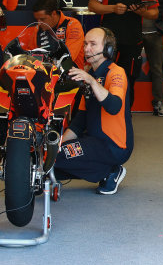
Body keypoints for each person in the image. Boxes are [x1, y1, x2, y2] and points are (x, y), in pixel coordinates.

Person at [54, 27, 133, 195]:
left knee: (58, 158)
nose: (87, 49)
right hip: (92, 142)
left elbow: (114, 106)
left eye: (93, 44)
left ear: (108, 49)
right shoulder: (90, 75)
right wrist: (56, 145)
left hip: (114, 146)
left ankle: (109, 171)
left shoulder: (117, 72)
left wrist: (91, 81)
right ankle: (107, 170)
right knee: (49, 161)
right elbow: (78, 123)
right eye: (85, 44)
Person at [87, 0, 159, 108]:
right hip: (107, 42)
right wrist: (112, 8)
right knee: (103, 78)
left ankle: (124, 120)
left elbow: (154, 12)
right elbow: (92, 5)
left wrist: (142, 12)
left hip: (132, 41)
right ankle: (100, 120)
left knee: (128, 82)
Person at [32, 0, 85, 68]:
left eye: (43, 19)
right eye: (37, 19)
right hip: (45, 72)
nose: (39, 23)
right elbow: (31, 55)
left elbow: (69, 57)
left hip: (71, 73)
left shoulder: (72, 25)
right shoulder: (37, 29)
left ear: (53, 13)